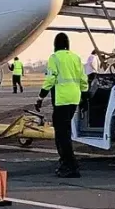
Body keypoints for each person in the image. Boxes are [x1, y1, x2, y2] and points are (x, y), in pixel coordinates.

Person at [36, 33, 89, 178]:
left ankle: (70, 165)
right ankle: (67, 162)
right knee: (65, 131)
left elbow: (50, 78)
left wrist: (40, 96)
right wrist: (84, 96)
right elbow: (83, 79)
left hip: (62, 99)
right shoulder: (75, 57)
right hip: (74, 98)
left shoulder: (55, 58)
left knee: (62, 134)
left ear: (55, 44)